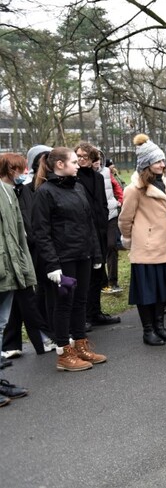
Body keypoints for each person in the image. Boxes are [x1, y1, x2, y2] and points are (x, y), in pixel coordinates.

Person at [32, 147, 106, 371]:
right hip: (62, 258)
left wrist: (96, 253)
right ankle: (64, 352)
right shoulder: (45, 192)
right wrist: (52, 264)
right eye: (74, 162)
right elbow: (41, 232)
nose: (77, 165)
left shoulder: (78, 187)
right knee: (63, 304)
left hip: (83, 254)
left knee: (81, 301)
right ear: (59, 164)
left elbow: (89, 223)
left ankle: (80, 345)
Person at [119, 135, 166, 346]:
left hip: (163, 245)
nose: (163, 164)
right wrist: (129, 239)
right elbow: (125, 219)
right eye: (158, 161)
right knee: (147, 292)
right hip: (145, 247)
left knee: (162, 289)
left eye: (163, 160)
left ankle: (160, 327)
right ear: (147, 164)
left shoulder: (163, 182)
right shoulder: (134, 189)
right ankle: (148, 331)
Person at [0, 154, 54, 359]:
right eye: (19, 169)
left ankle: (38, 339)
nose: (24, 173)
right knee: (17, 302)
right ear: (10, 170)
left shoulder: (21, 191)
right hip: (10, 257)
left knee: (24, 300)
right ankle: (16, 342)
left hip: (23, 253)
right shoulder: (8, 192)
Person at [75, 142, 121, 327]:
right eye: (78, 156)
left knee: (97, 273)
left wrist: (103, 221)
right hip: (84, 232)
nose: (80, 160)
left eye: (84, 157)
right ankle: (84, 316)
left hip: (100, 229)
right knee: (84, 277)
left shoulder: (99, 177)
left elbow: (102, 202)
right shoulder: (74, 178)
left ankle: (95, 312)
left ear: (92, 159)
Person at [0, 172, 34, 403]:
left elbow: (18, 234)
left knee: (1, 324)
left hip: (8, 269)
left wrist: (23, 268)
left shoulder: (7, 191)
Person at [101, 158, 124, 294]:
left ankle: (113, 281)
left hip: (111, 213)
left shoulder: (106, 172)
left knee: (111, 245)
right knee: (98, 250)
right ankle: (102, 282)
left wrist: (119, 200)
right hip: (95, 216)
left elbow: (116, 186)